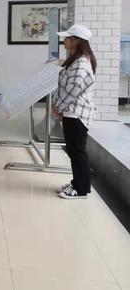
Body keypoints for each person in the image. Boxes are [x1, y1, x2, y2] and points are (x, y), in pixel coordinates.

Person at [53, 24, 96, 199]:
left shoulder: (81, 63)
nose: (64, 40)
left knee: (77, 151)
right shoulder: (75, 61)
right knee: (74, 150)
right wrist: (59, 106)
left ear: (77, 41)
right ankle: (77, 182)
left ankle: (81, 189)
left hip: (77, 113)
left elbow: (73, 90)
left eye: (67, 37)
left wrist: (58, 107)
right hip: (70, 111)